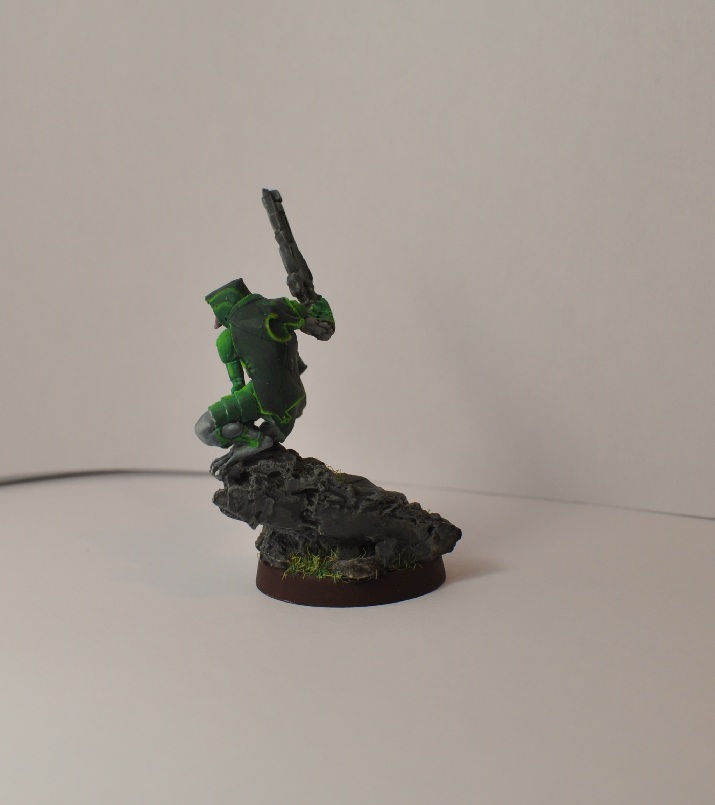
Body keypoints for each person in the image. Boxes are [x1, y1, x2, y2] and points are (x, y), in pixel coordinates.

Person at [195, 277, 335, 475]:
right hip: (293, 403)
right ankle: (253, 441)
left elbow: (237, 384)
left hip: (263, 398)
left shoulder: (227, 338)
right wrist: (313, 299)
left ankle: (256, 441)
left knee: (204, 428)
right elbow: (325, 329)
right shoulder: (279, 307)